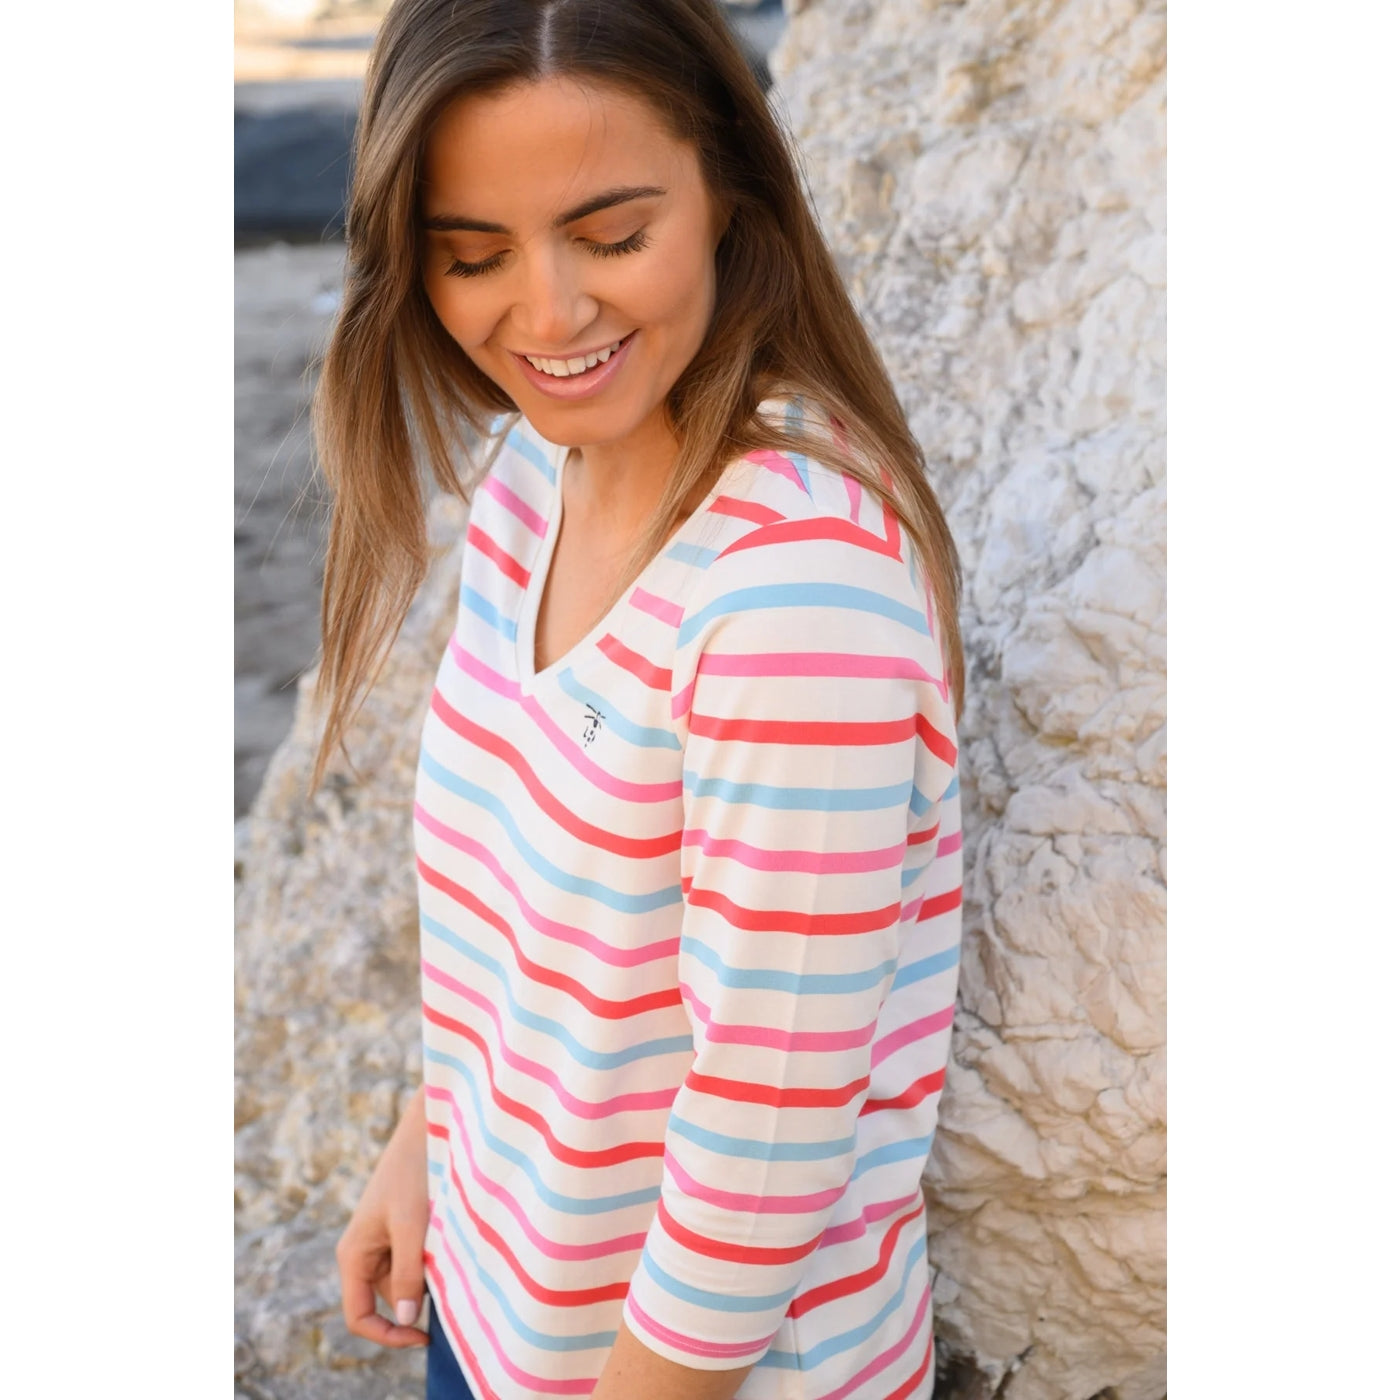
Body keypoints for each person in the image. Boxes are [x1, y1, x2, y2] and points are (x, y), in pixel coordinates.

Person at [311, 2, 966, 1397]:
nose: (547, 316)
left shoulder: (794, 599)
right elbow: (520, 909)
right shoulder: (533, 471)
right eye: (471, 256)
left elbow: (769, 1128)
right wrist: (431, 1138)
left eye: (612, 236)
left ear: (728, 187)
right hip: (494, 1317)